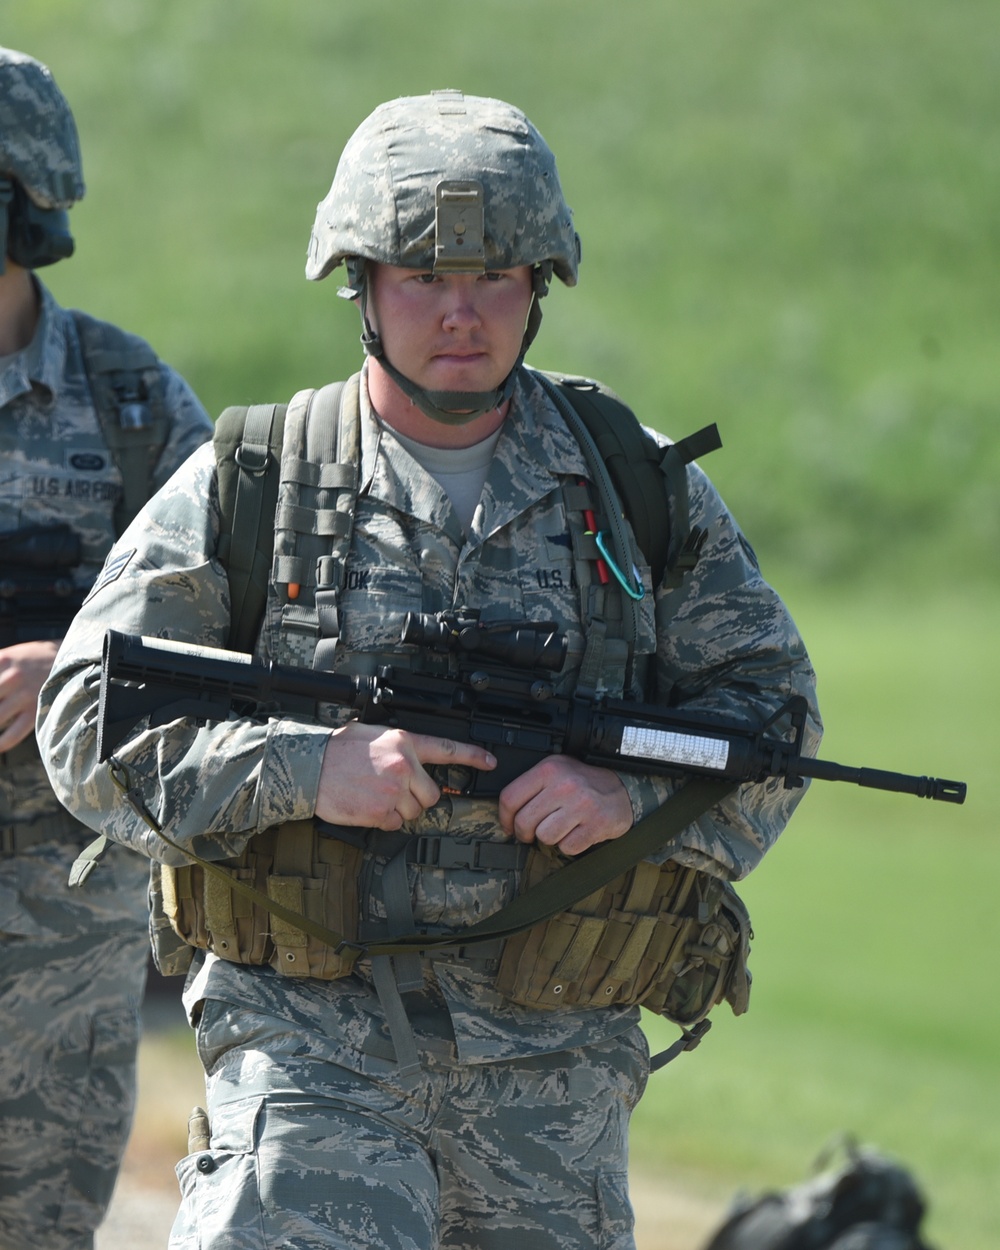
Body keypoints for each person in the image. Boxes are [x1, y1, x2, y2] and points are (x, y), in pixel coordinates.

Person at [37, 90, 821, 1250]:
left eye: (495, 274)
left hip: (552, 1080)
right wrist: (309, 768)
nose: (461, 312)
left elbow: (772, 717)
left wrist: (627, 799)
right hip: (309, 1051)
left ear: (541, 285)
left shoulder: (632, 489)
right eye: (421, 274)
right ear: (359, 282)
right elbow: (85, 718)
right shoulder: (256, 479)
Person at [0, 45, 213, 1250]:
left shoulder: (130, 402)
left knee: (38, 1213)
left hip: (64, 910)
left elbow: (231, 631)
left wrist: (73, 668)